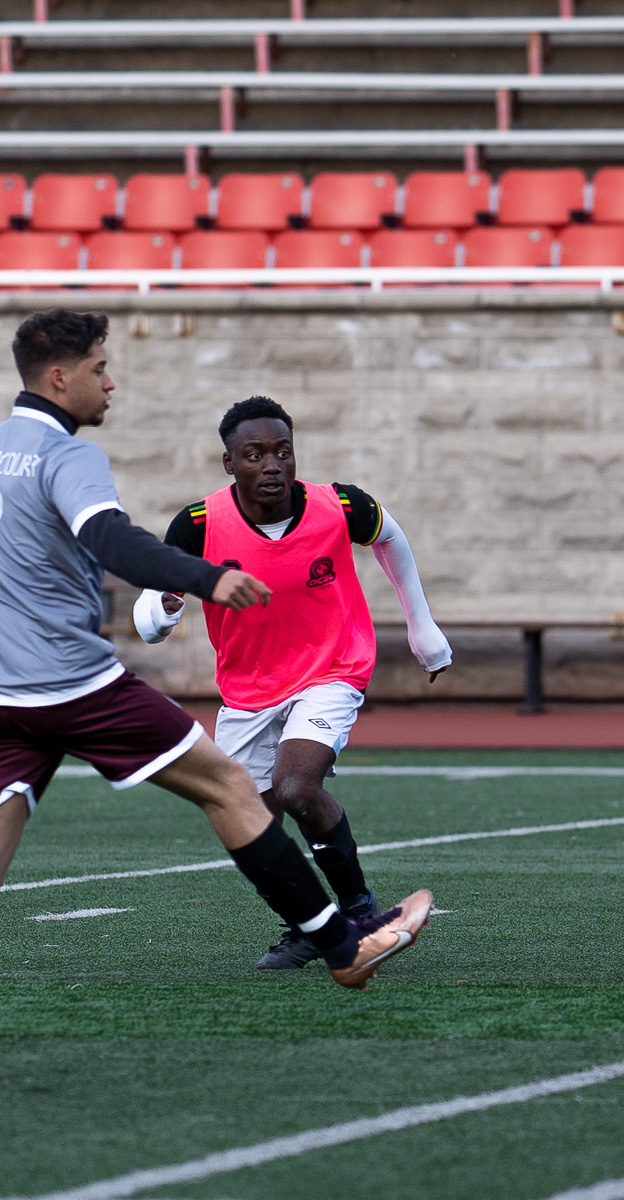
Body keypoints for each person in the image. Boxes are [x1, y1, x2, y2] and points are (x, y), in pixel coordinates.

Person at [0, 310, 431, 1062]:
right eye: (99, 368)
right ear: (61, 376)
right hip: (70, 683)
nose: (109, 382)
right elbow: (113, 540)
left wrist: (5, 611)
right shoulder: (69, 456)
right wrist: (206, 576)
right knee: (232, 790)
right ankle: (344, 943)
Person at [134, 396, 452, 969]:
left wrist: (421, 627)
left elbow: (392, 540)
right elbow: (150, 615)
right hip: (249, 690)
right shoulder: (199, 524)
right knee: (250, 822)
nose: (273, 464)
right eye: (255, 454)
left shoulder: (340, 505)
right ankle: (306, 927)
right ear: (229, 462)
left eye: (283, 451)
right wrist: (164, 607)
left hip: (334, 669)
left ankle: (360, 911)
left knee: (297, 787)